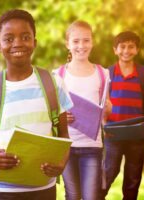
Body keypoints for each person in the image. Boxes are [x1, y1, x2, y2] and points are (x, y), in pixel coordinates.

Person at [0, 9, 73, 200]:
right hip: (3, 189)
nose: (18, 43)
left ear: (34, 42)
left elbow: (63, 135)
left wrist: (61, 163)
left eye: (25, 37)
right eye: (9, 39)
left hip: (43, 187)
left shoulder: (53, 83)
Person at [53, 20, 112, 200]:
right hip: (67, 147)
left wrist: (107, 109)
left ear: (92, 42)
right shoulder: (58, 75)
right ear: (67, 44)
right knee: (72, 196)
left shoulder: (102, 74)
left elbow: (105, 110)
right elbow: (53, 113)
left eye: (86, 41)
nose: (81, 46)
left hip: (92, 147)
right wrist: (62, 117)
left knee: (91, 197)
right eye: (76, 41)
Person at [100, 31, 144, 200]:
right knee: (109, 172)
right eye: (122, 47)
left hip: (136, 133)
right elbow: (103, 103)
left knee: (133, 178)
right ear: (115, 50)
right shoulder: (107, 73)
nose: (126, 50)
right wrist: (104, 125)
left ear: (137, 50)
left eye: (131, 47)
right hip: (113, 133)